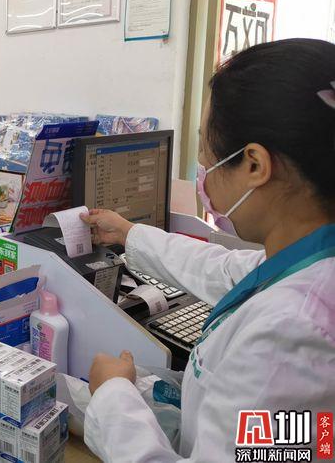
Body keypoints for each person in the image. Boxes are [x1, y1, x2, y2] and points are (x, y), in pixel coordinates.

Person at [80, 39, 335, 461]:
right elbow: (226, 269)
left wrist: (113, 396)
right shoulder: (309, 260)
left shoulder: (292, 335)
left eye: (205, 153)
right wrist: (129, 234)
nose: (203, 170)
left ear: (254, 165)